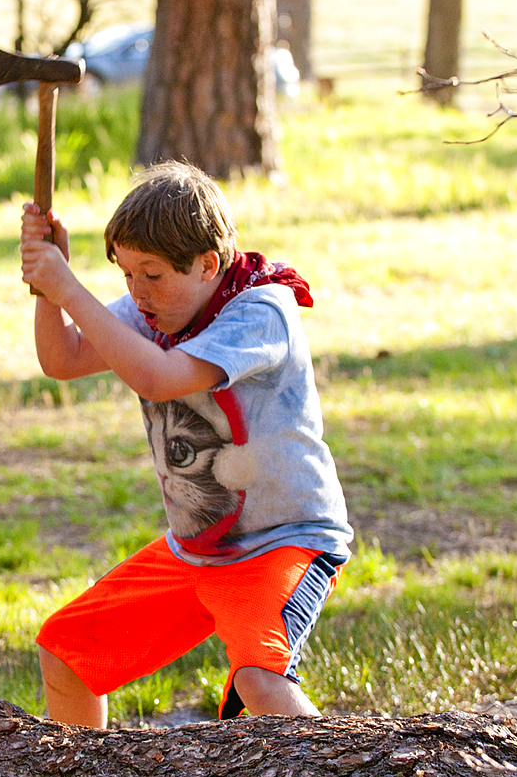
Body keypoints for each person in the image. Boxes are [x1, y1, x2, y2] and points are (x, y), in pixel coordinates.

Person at [20, 161, 352, 727]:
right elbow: (63, 360)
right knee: (67, 654)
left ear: (207, 265)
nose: (137, 293)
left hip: (283, 543)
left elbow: (159, 377)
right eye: (126, 276)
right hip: (195, 551)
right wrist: (50, 289)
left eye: (151, 275)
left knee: (258, 680)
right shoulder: (160, 308)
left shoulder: (260, 312)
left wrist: (66, 286)